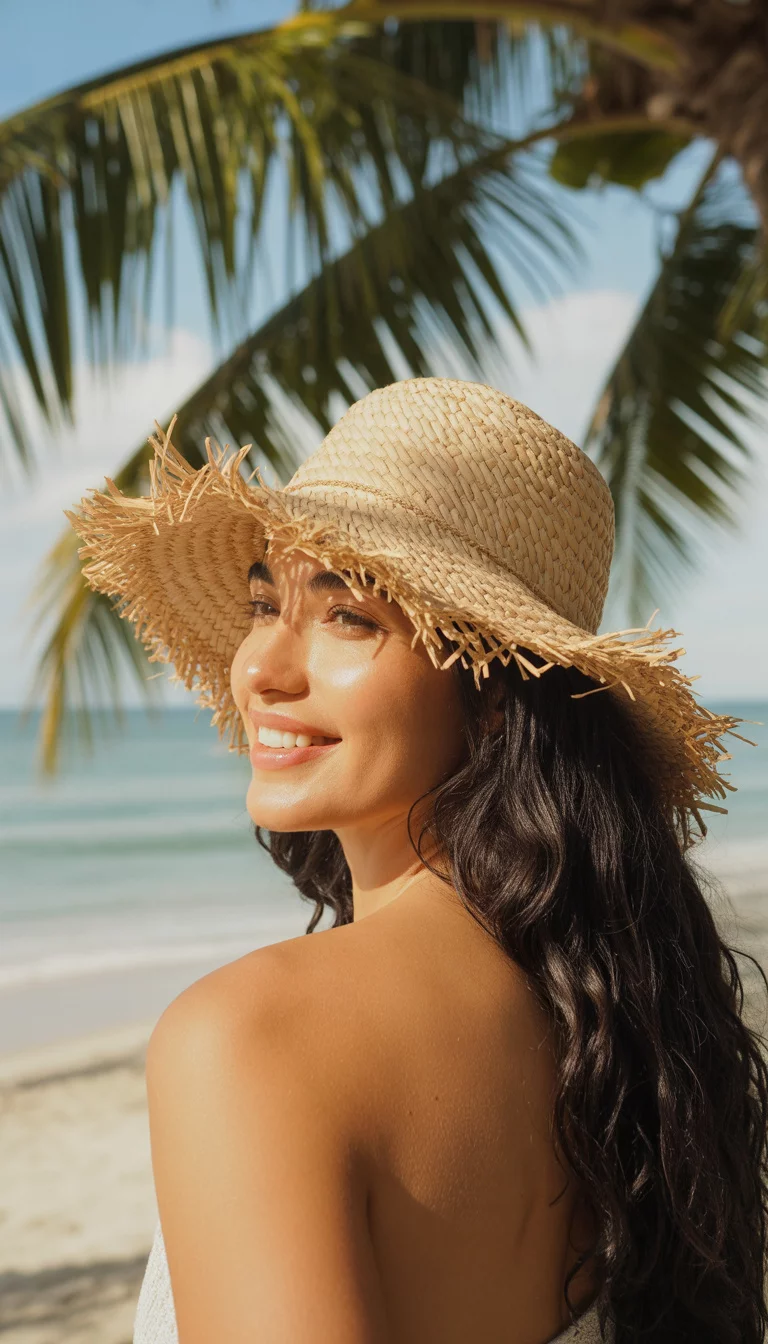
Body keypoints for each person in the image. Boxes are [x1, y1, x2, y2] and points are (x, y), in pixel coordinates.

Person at [67, 377, 768, 1344]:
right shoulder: (623, 1022)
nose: (260, 667)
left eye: (348, 616)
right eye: (266, 602)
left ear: (496, 694)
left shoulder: (251, 1038)